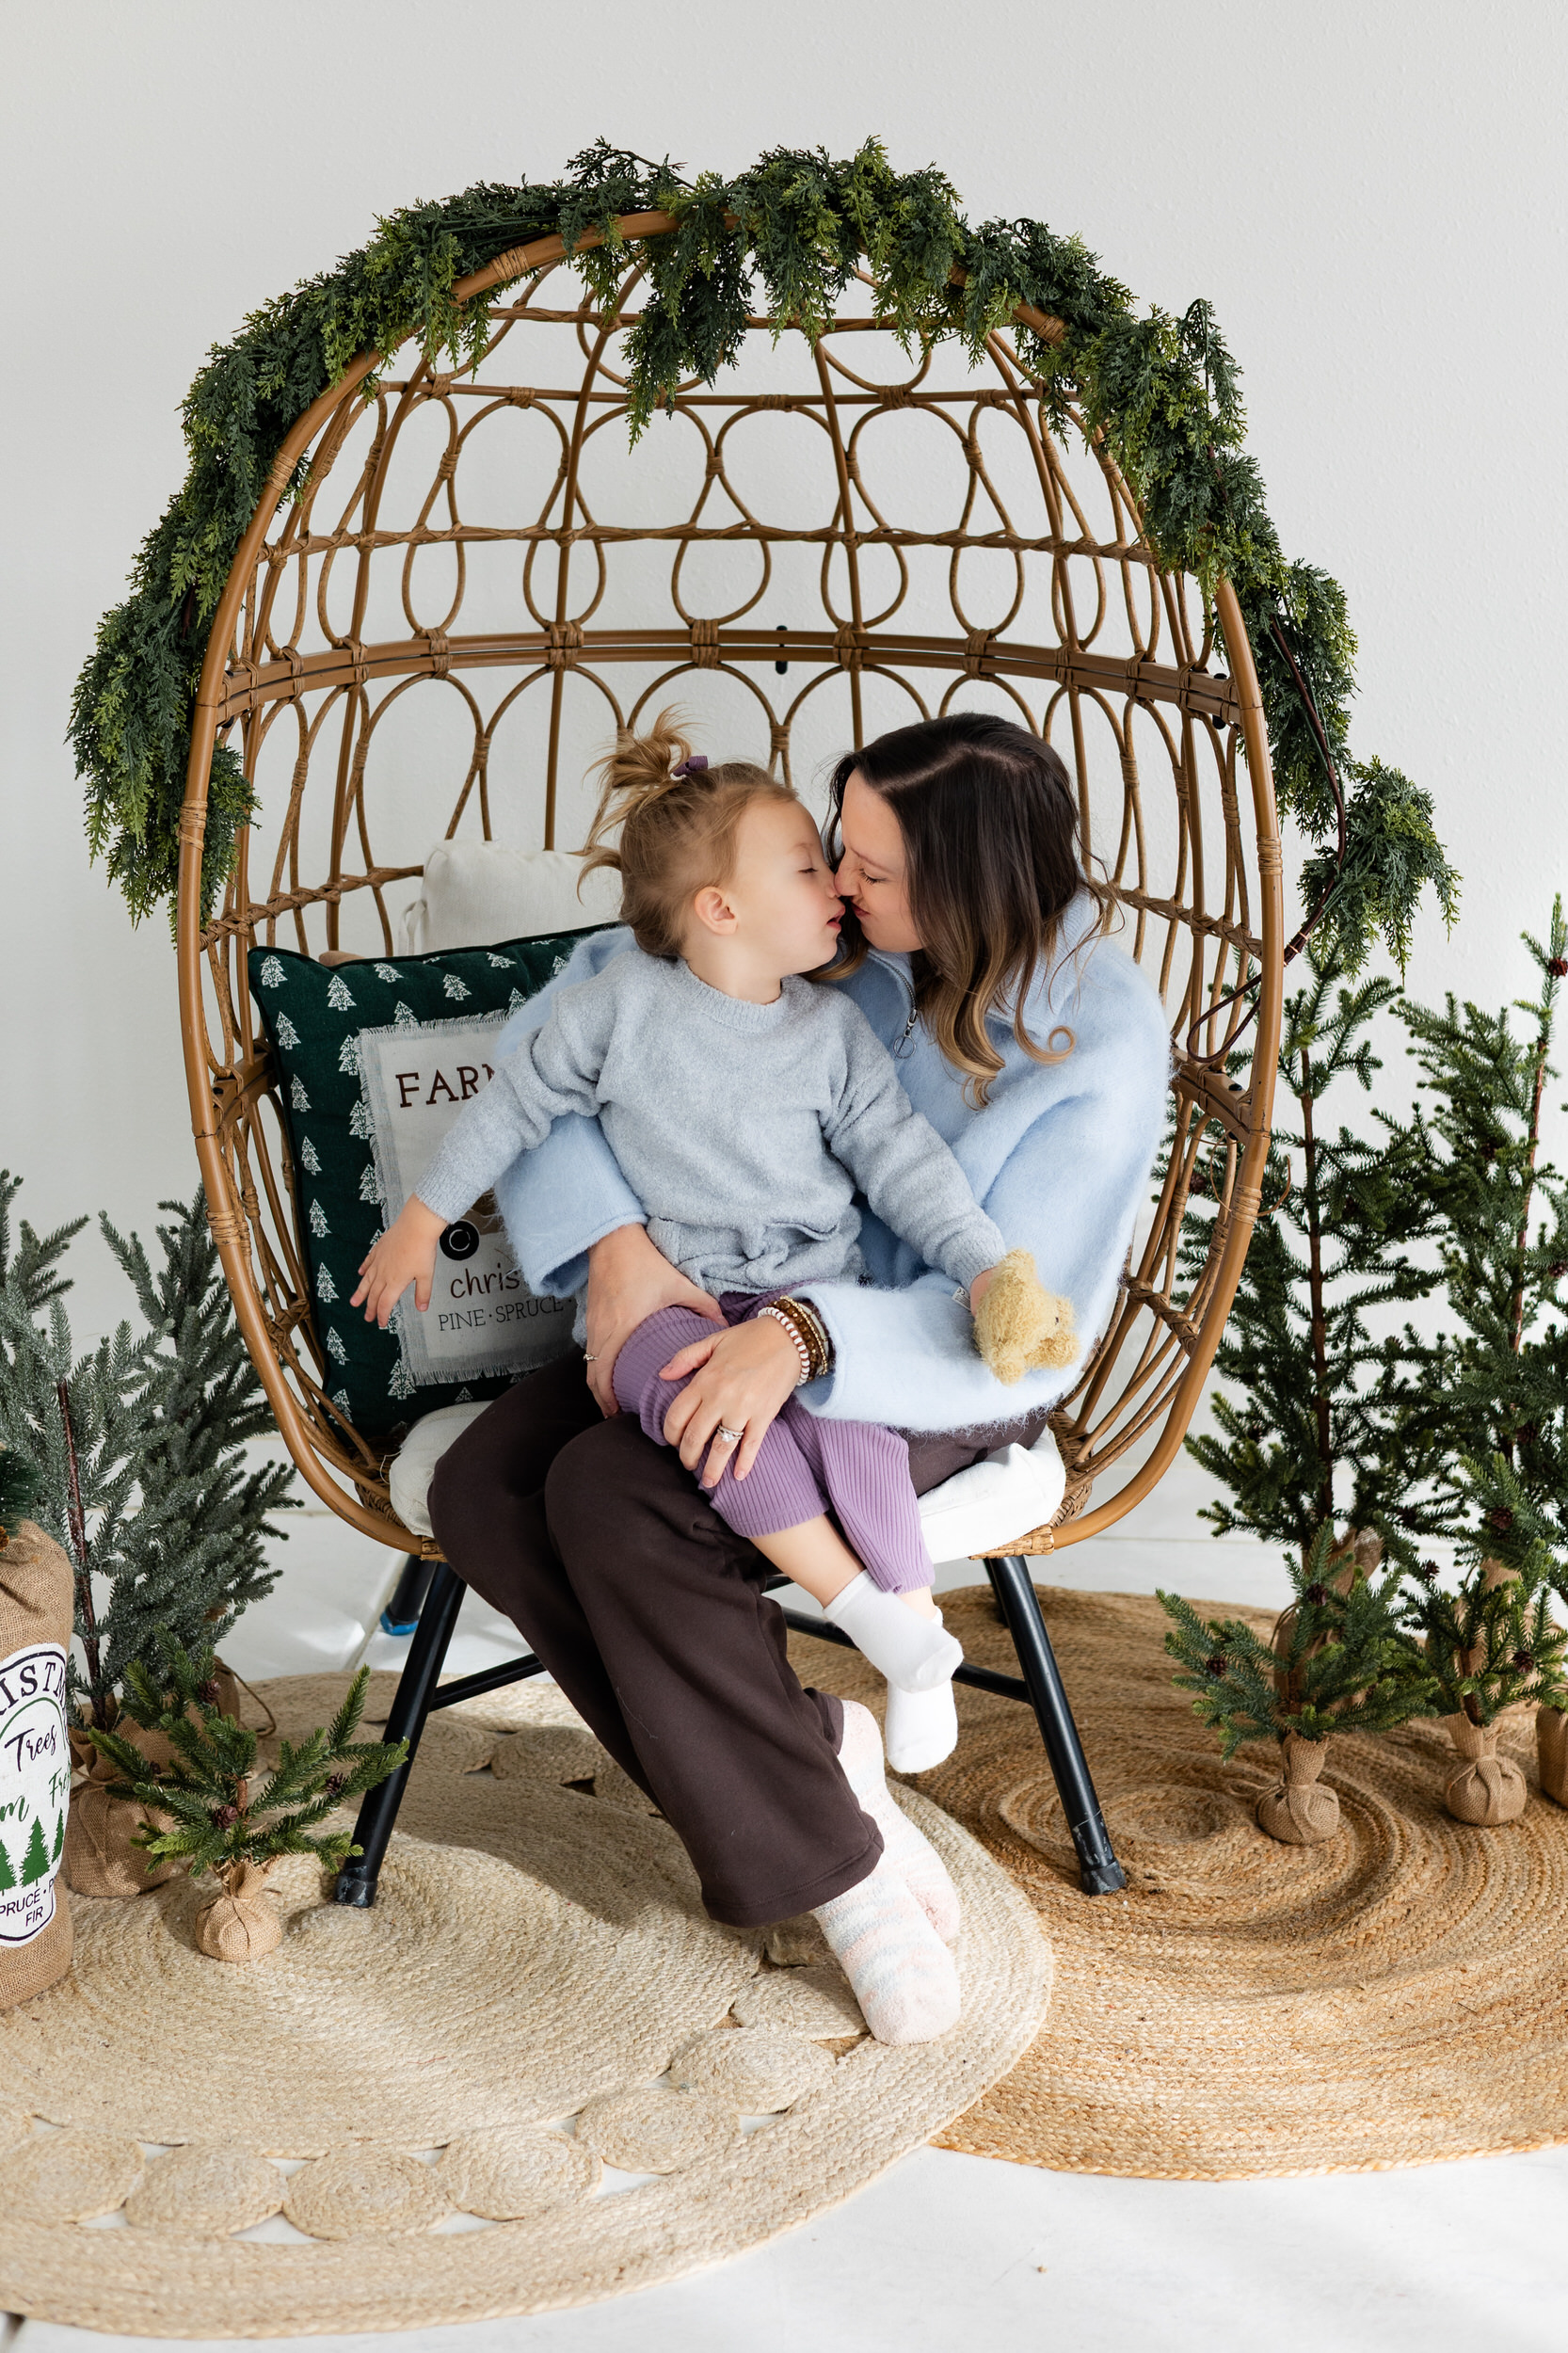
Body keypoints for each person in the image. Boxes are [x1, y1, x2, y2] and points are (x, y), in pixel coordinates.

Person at [424, 712, 1171, 2045]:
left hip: (931, 1370)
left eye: (870, 869)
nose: (836, 879)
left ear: (967, 882)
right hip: (712, 1298)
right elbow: (566, 1029)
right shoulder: (835, 944)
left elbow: (1022, 1311)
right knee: (486, 1488)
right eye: (833, 851)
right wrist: (607, 1243)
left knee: (611, 1496)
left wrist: (809, 1339)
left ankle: (836, 1876)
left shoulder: (1094, 1036)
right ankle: (817, 1760)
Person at [353, 716, 1068, 1749]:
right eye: (812, 865)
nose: (837, 886)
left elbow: (905, 1161)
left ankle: (916, 1636)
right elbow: (516, 1104)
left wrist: (983, 1269)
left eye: (846, 867)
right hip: (675, 1300)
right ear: (721, 908)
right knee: (702, 1412)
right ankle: (868, 1615)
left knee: (846, 1425)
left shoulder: (831, 1031)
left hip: (807, 1295)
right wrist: (423, 1218)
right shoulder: (618, 1008)